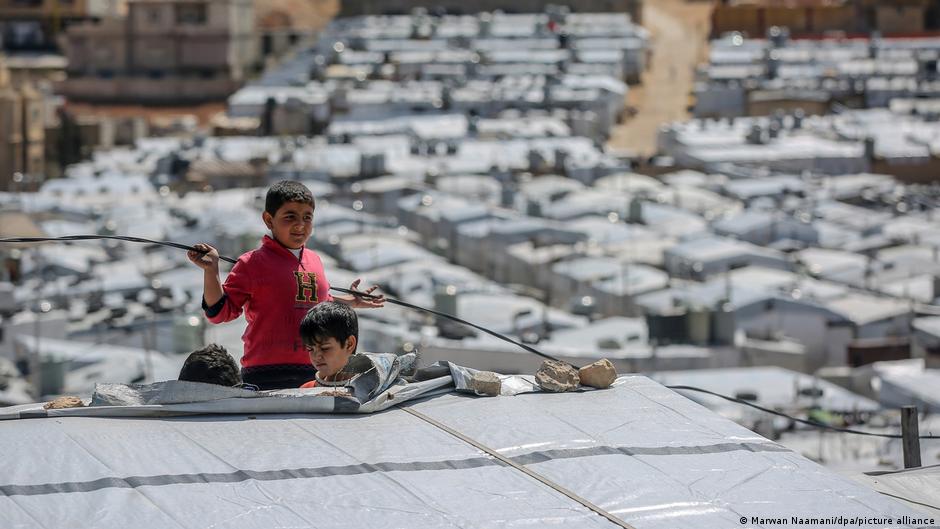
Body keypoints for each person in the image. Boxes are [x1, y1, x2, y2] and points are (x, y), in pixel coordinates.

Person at [187, 180, 384, 389]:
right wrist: (211, 271)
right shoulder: (252, 263)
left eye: (307, 217)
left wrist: (351, 301)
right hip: (266, 374)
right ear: (269, 220)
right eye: (290, 217)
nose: (300, 224)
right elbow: (220, 312)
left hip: (314, 372)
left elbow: (316, 303)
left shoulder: (315, 261)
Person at [298, 302, 360, 388]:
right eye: (310, 349)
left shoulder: (372, 392)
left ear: (349, 344)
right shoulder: (305, 390)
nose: (316, 357)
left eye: (325, 348)